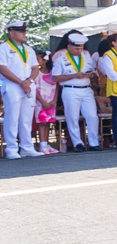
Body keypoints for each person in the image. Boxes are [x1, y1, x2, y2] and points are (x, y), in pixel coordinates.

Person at [51, 31, 101, 151]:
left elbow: (94, 73)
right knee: (72, 117)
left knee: (92, 116)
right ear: (69, 46)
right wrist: (73, 76)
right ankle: (77, 142)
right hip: (70, 89)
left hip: (86, 89)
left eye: (81, 48)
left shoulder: (87, 58)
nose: (79, 50)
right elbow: (55, 77)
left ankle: (94, 142)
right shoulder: (61, 59)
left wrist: (90, 75)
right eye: (76, 48)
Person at [0, 20, 42, 159]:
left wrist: (28, 81)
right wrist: (21, 82)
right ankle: (11, 148)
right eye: (21, 31)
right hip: (12, 85)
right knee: (12, 118)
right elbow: (3, 69)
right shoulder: (3, 48)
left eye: (25, 31)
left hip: (28, 85)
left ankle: (27, 147)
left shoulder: (29, 49)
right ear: (12, 33)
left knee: (26, 118)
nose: (25, 33)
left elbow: (36, 68)